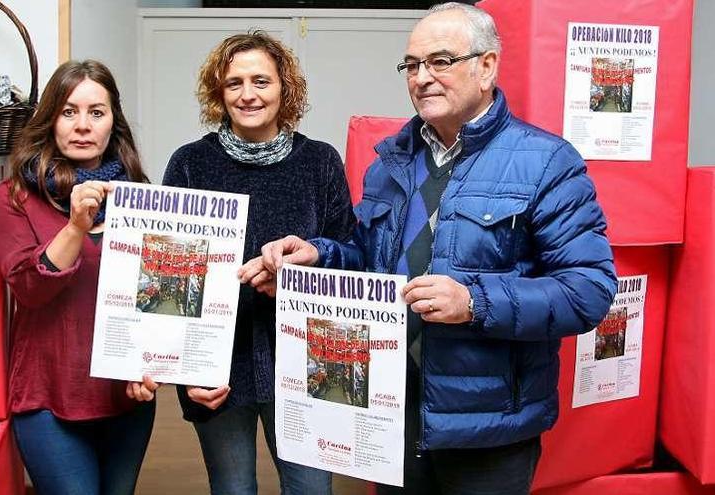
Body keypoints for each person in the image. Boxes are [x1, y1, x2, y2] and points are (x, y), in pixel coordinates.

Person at [242, 4, 618, 494]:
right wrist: (319, 256)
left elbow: (588, 291)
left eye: (440, 61)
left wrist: (474, 303)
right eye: (412, 65)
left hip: (487, 430)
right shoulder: (390, 163)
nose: (421, 78)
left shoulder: (546, 162)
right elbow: (369, 256)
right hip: (392, 412)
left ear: (487, 67)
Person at [159, 31, 356, 494]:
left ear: (284, 89)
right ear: (219, 94)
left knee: (310, 489)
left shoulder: (320, 163)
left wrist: (300, 276)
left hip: (307, 367)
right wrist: (184, 372)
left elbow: (349, 255)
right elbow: (165, 275)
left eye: (261, 81)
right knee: (233, 488)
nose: (248, 94)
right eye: (234, 84)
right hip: (219, 367)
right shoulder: (190, 164)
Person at [0, 60, 157, 495]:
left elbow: (156, 300)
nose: (82, 125)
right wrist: (76, 226)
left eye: (96, 113)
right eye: (69, 111)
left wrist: (151, 364)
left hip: (125, 397)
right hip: (47, 395)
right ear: (50, 120)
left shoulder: (142, 195)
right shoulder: (15, 198)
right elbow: (29, 288)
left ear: (113, 123)